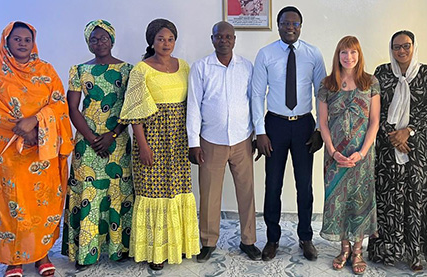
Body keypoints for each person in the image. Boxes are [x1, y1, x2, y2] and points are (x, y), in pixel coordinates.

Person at [0, 21, 74, 277]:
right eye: (17, 39)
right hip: (7, 151)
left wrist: (35, 124)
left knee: (42, 204)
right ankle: (14, 260)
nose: (23, 43)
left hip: (41, 149)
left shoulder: (45, 70)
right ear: (7, 41)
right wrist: (20, 127)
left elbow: (59, 104)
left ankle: (42, 255)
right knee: (11, 205)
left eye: (27, 39)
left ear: (33, 42)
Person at [118, 19, 200, 270]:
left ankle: (179, 245)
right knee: (154, 192)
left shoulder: (184, 66)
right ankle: (155, 251)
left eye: (170, 39)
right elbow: (134, 113)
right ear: (151, 41)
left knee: (176, 190)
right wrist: (142, 146)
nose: (166, 43)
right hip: (152, 138)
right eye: (161, 39)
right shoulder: (141, 70)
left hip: (178, 138)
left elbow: (192, 104)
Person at [252, 6, 326, 262]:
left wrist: (319, 129)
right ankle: (272, 239)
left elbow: (322, 94)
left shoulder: (313, 54)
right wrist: (259, 132)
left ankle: (306, 237)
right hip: (275, 125)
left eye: (295, 24)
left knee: (304, 186)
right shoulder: (265, 54)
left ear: (301, 26)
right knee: (273, 185)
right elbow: (256, 95)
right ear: (278, 25)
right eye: (285, 23)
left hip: (305, 124)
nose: (290, 27)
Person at [61, 20, 134, 271]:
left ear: (112, 40)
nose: (99, 42)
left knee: (118, 193)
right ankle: (85, 252)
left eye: (103, 38)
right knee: (87, 194)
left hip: (118, 140)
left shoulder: (128, 70)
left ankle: (118, 250)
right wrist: (93, 138)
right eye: (93, 39)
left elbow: (130, 107)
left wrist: (112, 135)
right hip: (86, 142)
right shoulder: (79, 70)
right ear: (88, 43)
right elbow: (72, 108)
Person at [187, 21, 261, 262]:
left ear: (234, 40)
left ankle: (248, 240)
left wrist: (258, 134)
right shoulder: (201, 68)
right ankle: (208, 242)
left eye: (228, 36)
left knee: (247, 192)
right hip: (211, 140)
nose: (224, 40)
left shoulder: (246, 67)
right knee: (209, 194)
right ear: (212, 39)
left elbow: (255, 103)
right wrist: (193, 142)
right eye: (219, 36)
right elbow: (194, 107)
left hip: (242, 140)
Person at [367, 30, 427, 270]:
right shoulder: (382, 73)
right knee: (389, 199)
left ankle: (415, 254)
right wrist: (393, 136)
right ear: (391, 49)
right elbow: (374, 108)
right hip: (387, 147)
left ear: (413, 46)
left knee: (415, 198)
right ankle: (387, 252)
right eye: (397, 47)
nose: (401, 51)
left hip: (417, 148)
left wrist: (407, 131)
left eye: (406, 46)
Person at [318, 36, 380, 275]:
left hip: (362, 156)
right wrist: (333, 151)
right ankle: (343, 249)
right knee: (338, 201)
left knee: (359, 200)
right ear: (338, 55)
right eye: (344, 52)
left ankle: (357, 251)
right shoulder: (327, 84)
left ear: (359, 55)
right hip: (335, 155)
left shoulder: (370, 82)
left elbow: (374, 122)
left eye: (353, 52)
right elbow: (322, 122)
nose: (348, 57)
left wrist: (362, 152)